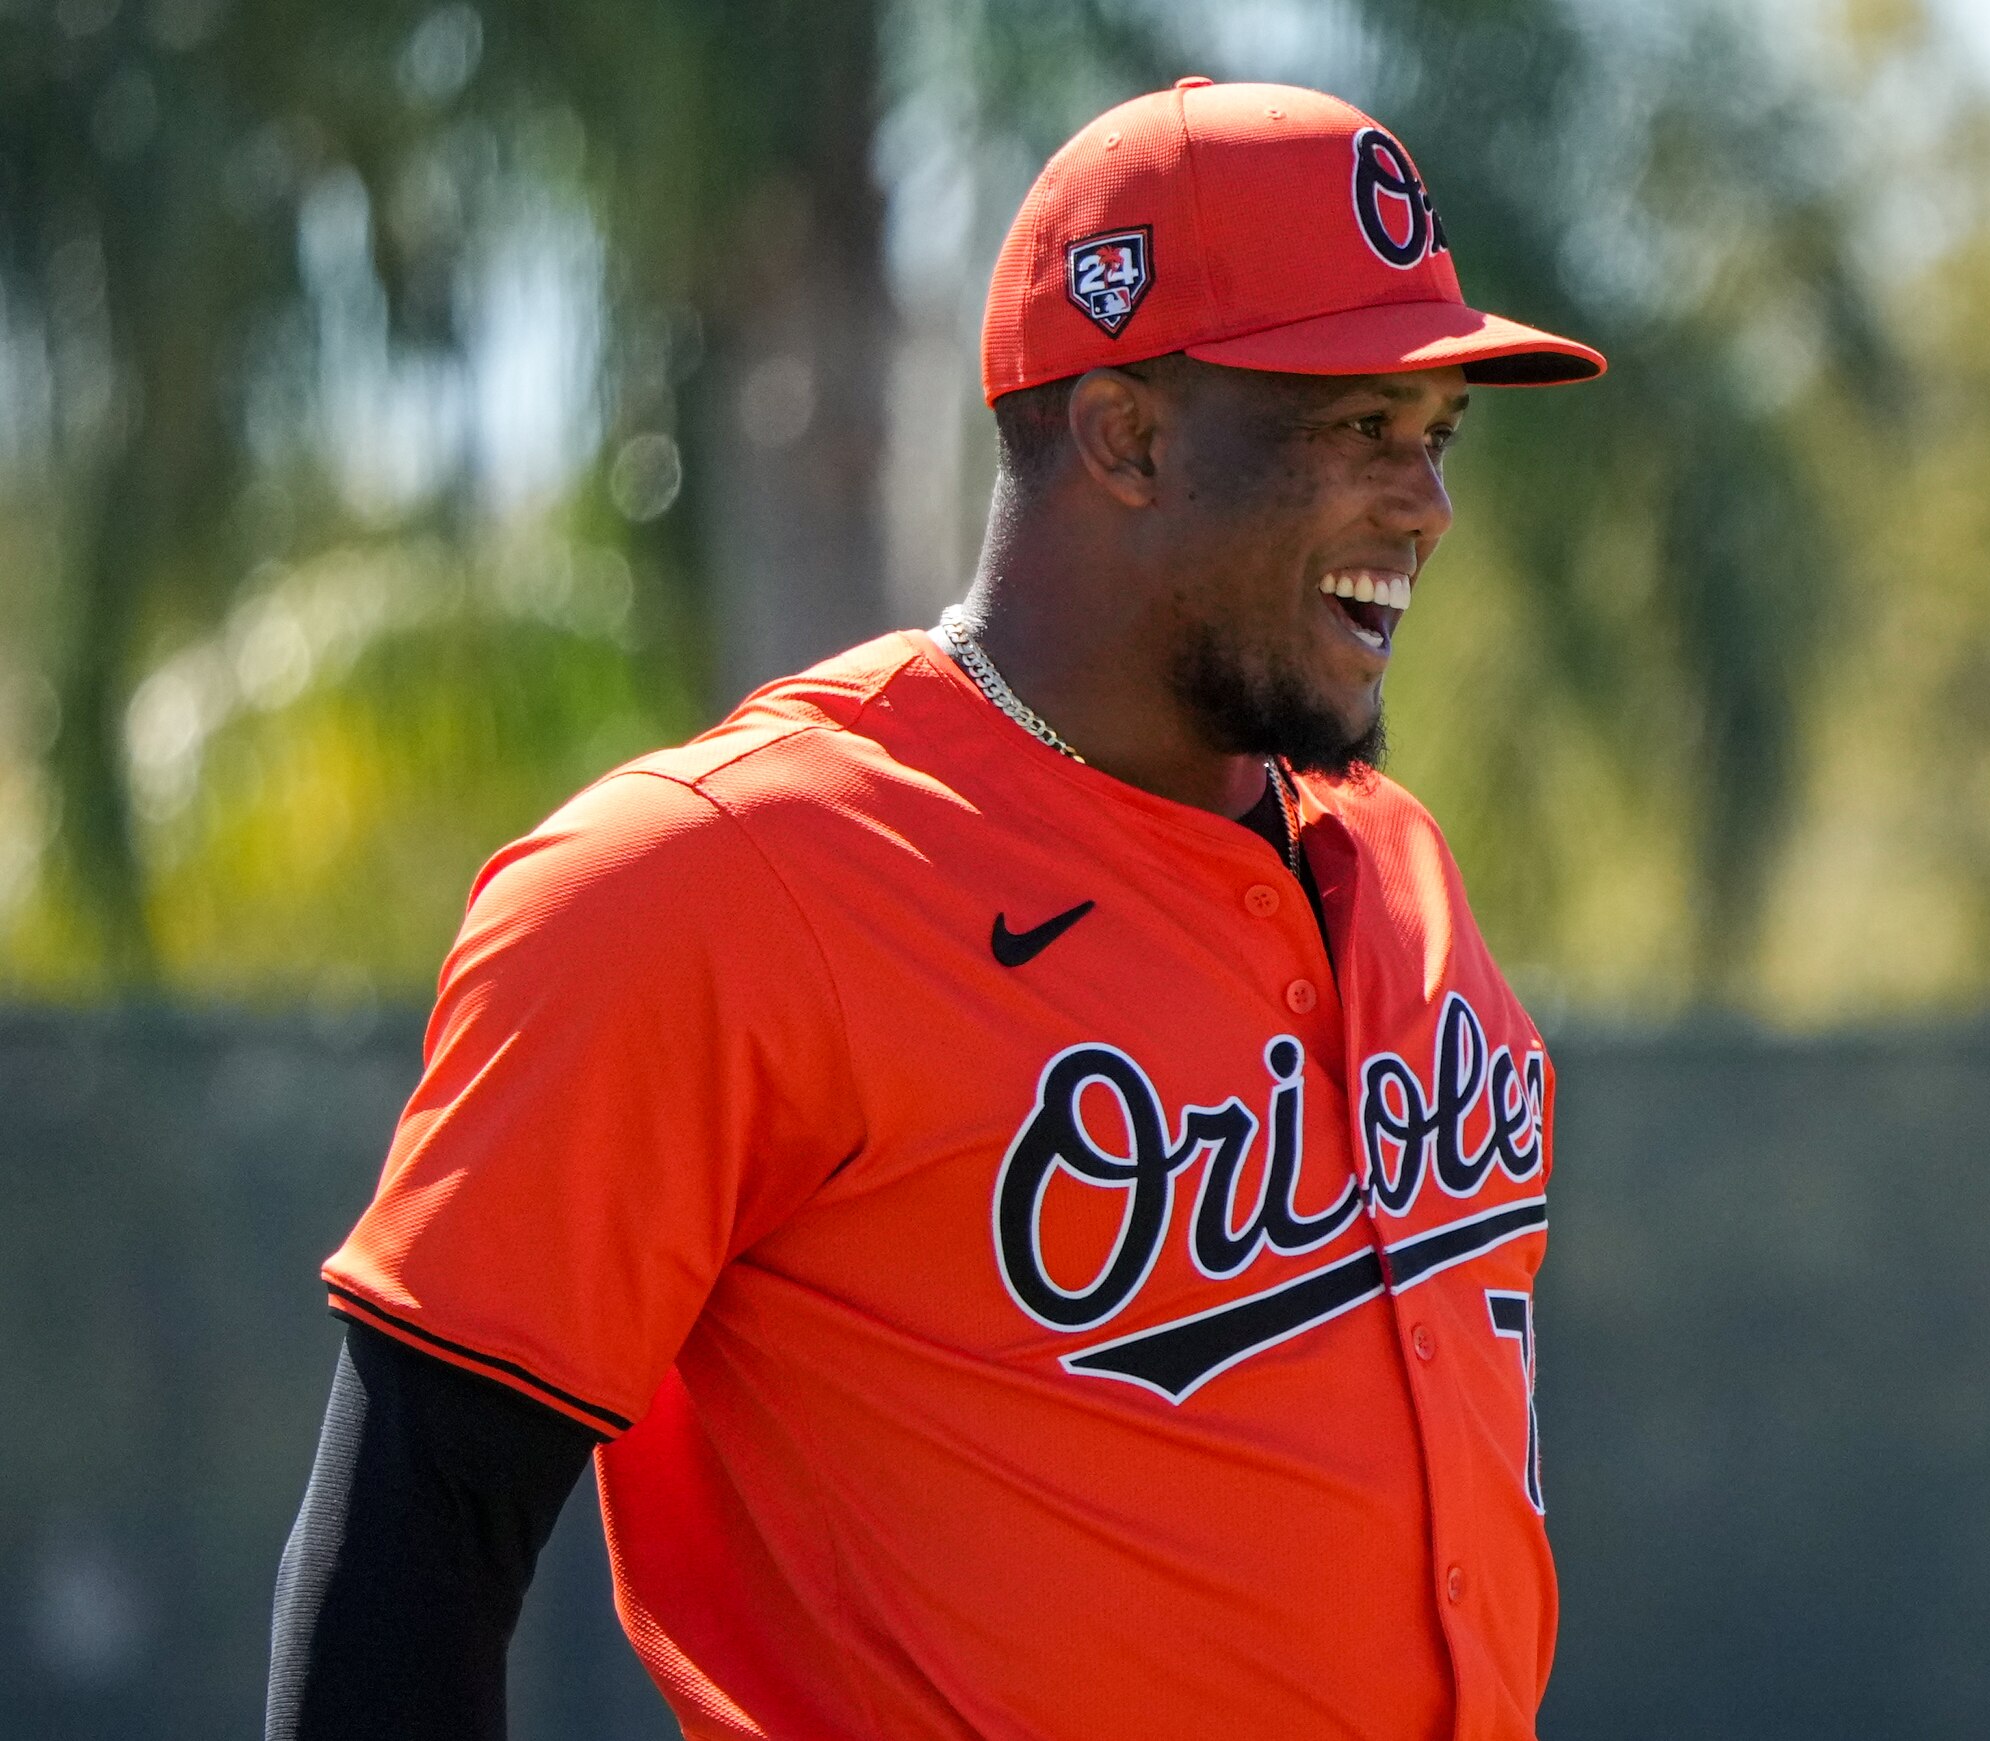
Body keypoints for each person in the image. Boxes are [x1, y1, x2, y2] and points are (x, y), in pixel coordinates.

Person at [265, 76, 1602, 1741]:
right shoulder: (712, 886)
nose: (1427, 503)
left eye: (1434, 436)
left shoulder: (1395, 862)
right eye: (1354, 429)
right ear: (1125, 432)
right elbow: (416, 1551)